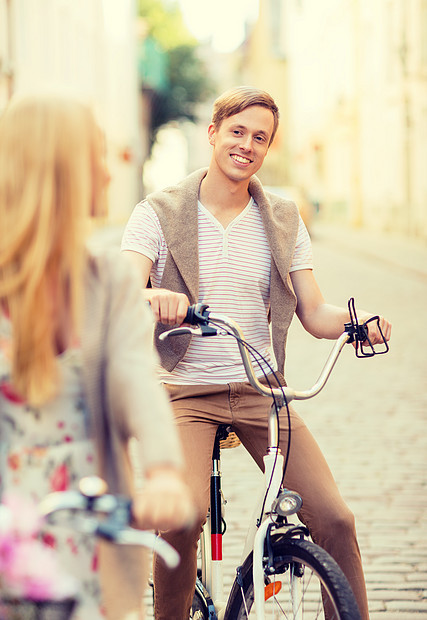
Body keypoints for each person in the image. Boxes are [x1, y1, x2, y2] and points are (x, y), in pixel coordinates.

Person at [121, 85, 392, 620]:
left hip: (260, 388)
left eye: (260, 137)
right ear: (214, 133)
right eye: (237, 132)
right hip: (184, 392)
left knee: (335, 518)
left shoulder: (284, 219)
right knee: (181, 515)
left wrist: (359, 322)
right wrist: (155, 296)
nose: (247, 145)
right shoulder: (157, 212)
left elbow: (314, 312)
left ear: (269, 147)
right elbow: (126, 290)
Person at [0, 93, 195, 620]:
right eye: (98, 157)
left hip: (87, 532)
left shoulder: (108, 282)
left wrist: (162, 470)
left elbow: (136, 377)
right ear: (61, 169)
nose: (110, 175)